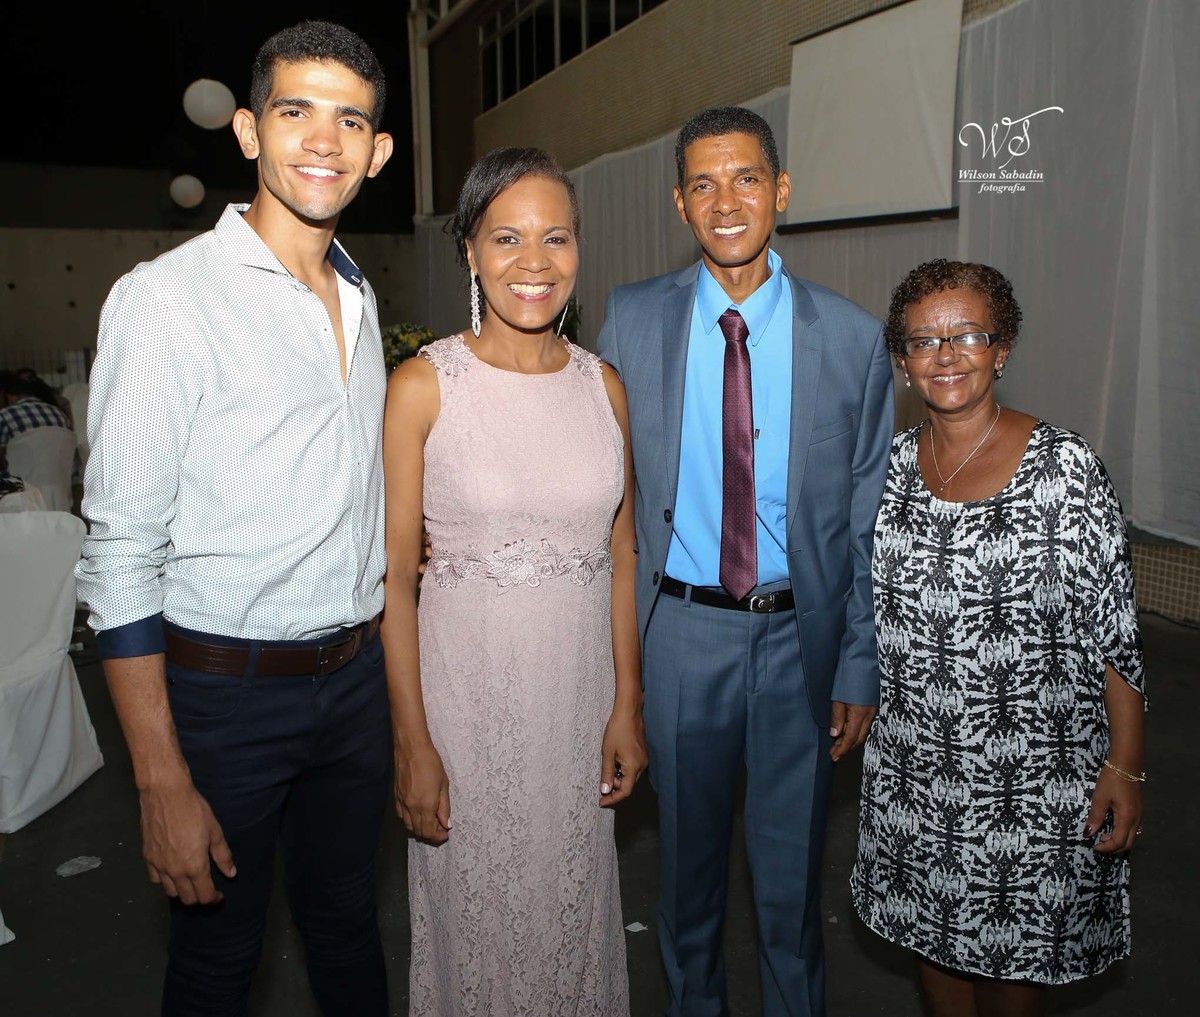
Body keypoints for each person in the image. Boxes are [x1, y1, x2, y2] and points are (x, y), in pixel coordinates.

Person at [75, 21, 394, 1016]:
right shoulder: (167, 302)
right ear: (251, 132)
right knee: (217, 964)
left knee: (349, 932)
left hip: (356, 685)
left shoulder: (360, 295)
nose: (324, 141)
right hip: (226, 700)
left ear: (379, 152)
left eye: (351, 121)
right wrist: (158, 778)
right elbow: (120, 552)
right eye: (297, 112)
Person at [596, 107, 895, 1017]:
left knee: (791, 891)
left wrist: (858, 662)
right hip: (680, 636)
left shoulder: (850, 337)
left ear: (782, 190)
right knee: (685, 887)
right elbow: (602, 491)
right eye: (703, 184)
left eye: (746, 179)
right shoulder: (632, 320)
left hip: (800, 642)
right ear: (680, 204)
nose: (726, 202)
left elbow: (865, 519)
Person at [382, 146, 646, 1015]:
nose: (535, 262)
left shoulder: (603, 387)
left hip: (577, 708)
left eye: (555, 238)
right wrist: (413, 743)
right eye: (507, 238)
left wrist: (627, 703)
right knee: (481, 928)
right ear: (470, 250)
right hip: (468, 713)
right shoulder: (423, 386)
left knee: (571, 920)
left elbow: (621, 555)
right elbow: (395, 581)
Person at [852, 259, 1146, 1017]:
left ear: (1002, 347)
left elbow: (1116, 635)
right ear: (903, 360)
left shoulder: (1066, 470)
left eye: (967, 335)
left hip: (1035, 781)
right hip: (916, 772)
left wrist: (1125, 766)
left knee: (1014, 967)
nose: (945, 355)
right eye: (924, 340)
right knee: (934, 954)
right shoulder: (886, 471)